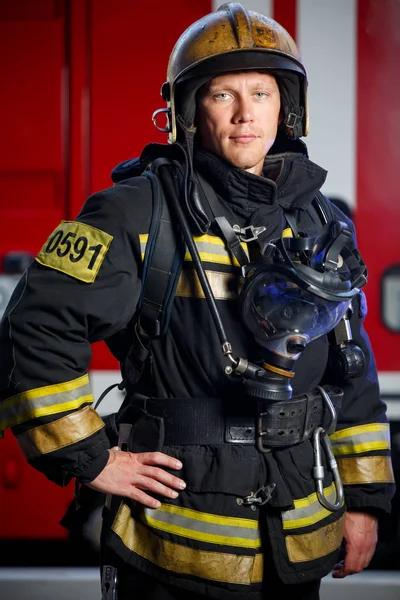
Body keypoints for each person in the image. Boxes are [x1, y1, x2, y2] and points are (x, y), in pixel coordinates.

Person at [0, 4, 395, 600]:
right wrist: (91, 456)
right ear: (188, 110)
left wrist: (365, 503)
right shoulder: (135, 212)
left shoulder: (321, 224)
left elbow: (351, 370)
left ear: (285, 106)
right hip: (172, 545)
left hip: (297, 536)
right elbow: (31, 332)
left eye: (261, 93)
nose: (245, 114)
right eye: (221, 95)